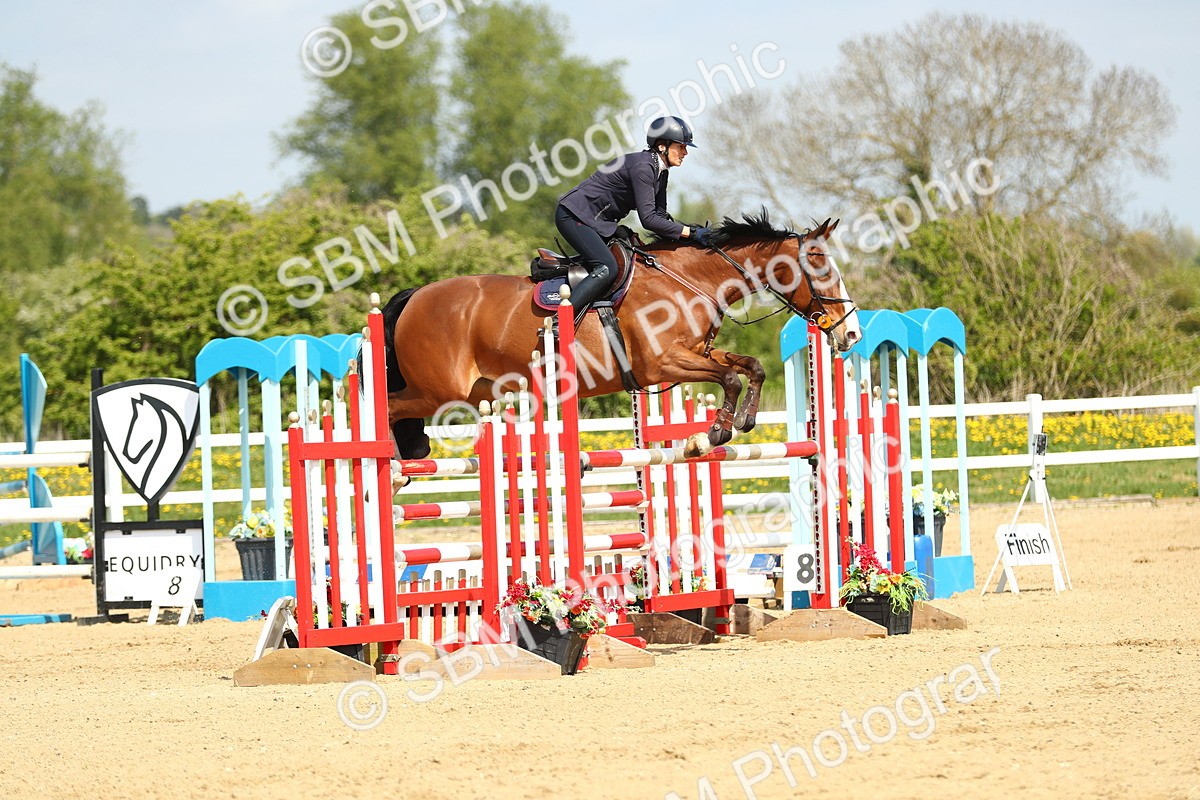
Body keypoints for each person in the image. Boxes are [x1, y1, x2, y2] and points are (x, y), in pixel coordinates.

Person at [555, 115, 712, 325]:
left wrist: (689, 240)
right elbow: (648, 220)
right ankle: (561, 320)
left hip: (598, 222)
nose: (685, 152)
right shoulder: (643, 168)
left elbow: (661, 216)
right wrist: (691, 233)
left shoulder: (660, 171)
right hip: (574, 216)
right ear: (662, 146)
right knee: (607, 267)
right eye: (681, 146)